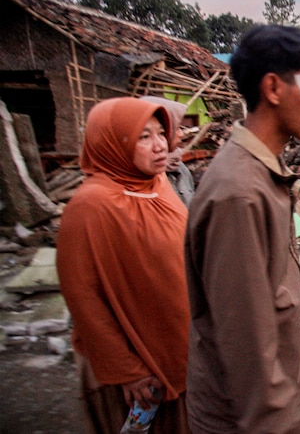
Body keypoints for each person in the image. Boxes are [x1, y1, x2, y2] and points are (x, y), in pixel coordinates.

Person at [184, 24, 300, 434]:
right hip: (257, 409)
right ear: (273, 89)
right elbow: (245, 345)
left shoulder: (266, 173)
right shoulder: (239, 195)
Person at [56, 97, 191, 433]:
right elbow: (82, 296)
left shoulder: (158, 186)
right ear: (113, 142)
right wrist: (125, 368)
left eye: (161, 133)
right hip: (136, 366)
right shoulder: (91, 206)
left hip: (177, 348)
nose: (160, 145)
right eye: (143, 137)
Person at [140, 96, 196, 208]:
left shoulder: (179, 167)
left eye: (160, 133)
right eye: (176, 128)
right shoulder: (140, 176)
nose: (181, 134)